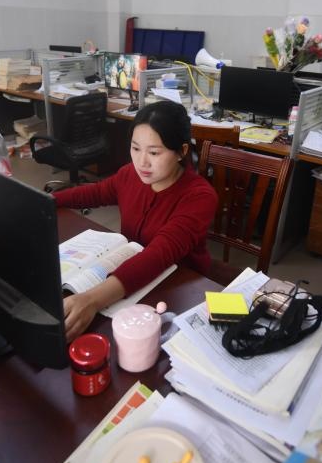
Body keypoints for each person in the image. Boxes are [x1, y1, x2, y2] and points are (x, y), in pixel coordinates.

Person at [52, 101, 218, 340]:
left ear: (182, 151)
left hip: (178, 285)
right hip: (130, 277)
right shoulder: (130, 175)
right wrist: (47, 201)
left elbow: (159, 254)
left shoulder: (199, 197)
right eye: (135, 148)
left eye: (154, 153)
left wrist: (91, 300)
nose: (142, 162)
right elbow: (94, 193)